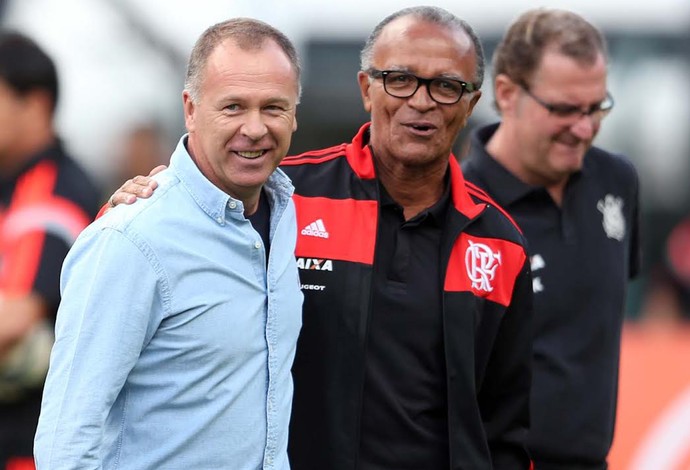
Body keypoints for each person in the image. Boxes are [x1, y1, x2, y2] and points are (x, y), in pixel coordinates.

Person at [107, 6, 534, 469]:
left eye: (446, 86)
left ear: (471, 104)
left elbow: (506, 424)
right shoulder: (281, 195)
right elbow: (148, 237)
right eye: (400, 79)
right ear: (367, 89)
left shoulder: (500, 244)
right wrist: (128, 205)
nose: (422, 101)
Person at [33, 18, 303, 469]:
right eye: (233, 107)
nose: (255, 128)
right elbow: (66, 442)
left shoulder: (289, 217)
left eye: (273, 108)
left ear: (295, 112)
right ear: (191, 110)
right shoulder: (131, 240)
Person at [461, 8, 641, 469]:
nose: (583, 128)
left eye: (596, 107)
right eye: (563, 109)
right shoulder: (462, 207)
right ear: (506, 94)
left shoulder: (617, 180)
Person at [0, 31, 101, 469]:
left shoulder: (51, 190)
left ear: (35, 105)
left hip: (29, 443)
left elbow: (15, 318)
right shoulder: (13, 182)